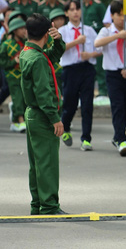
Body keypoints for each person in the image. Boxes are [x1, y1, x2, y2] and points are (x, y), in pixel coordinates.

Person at [20, 13, 66, 215]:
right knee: (47, 163)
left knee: (37, 163)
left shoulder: (28, 52)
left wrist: (58, 41)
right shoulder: (37, 59)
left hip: (33, 114)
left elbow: (52, 56)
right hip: (42, 115)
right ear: (46, 32)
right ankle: (49, 206)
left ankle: (37, 203)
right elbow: (43, 93)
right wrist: (54, 118)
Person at [95, 0, 126, 156]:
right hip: (113, 74)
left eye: (124, 15)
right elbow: (97, 43)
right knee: (118, 106)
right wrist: (116, 37)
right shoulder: (106, 31)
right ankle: (122, 139)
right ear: (112, 16)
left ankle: (120, 136)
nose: (122, 18)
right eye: (119, 15)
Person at [59, 0, 101, 151]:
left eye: (78, 9)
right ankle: (66, 127)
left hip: (87, 69)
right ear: (66, 13)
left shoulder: (89, 30)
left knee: (87, 104)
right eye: (72, 9)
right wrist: (76, 42)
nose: (76, 12)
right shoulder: (62, 31)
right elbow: (59, 49)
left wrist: (90, 54)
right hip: (70, 70)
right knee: (70, 104)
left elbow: (100, 48)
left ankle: (86, 138)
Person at [0, 17, 28, 132]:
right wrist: (13, 62)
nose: (24, 30)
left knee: (26, 98)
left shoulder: (28, 43)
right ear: (14, 30)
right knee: (17, 98)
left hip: (25, 76)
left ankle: (16, 121)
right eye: (21, 28)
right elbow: (2, 61)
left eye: (25, 28)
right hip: (12, 76)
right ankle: (21, 121)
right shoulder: (6, 45)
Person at [82, 0, 108, 97]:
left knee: (99, 66)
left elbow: (106, 23)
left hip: (97, 41)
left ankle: (103, 91)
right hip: (84, 41)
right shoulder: (79, 6)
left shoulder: (98, 6)